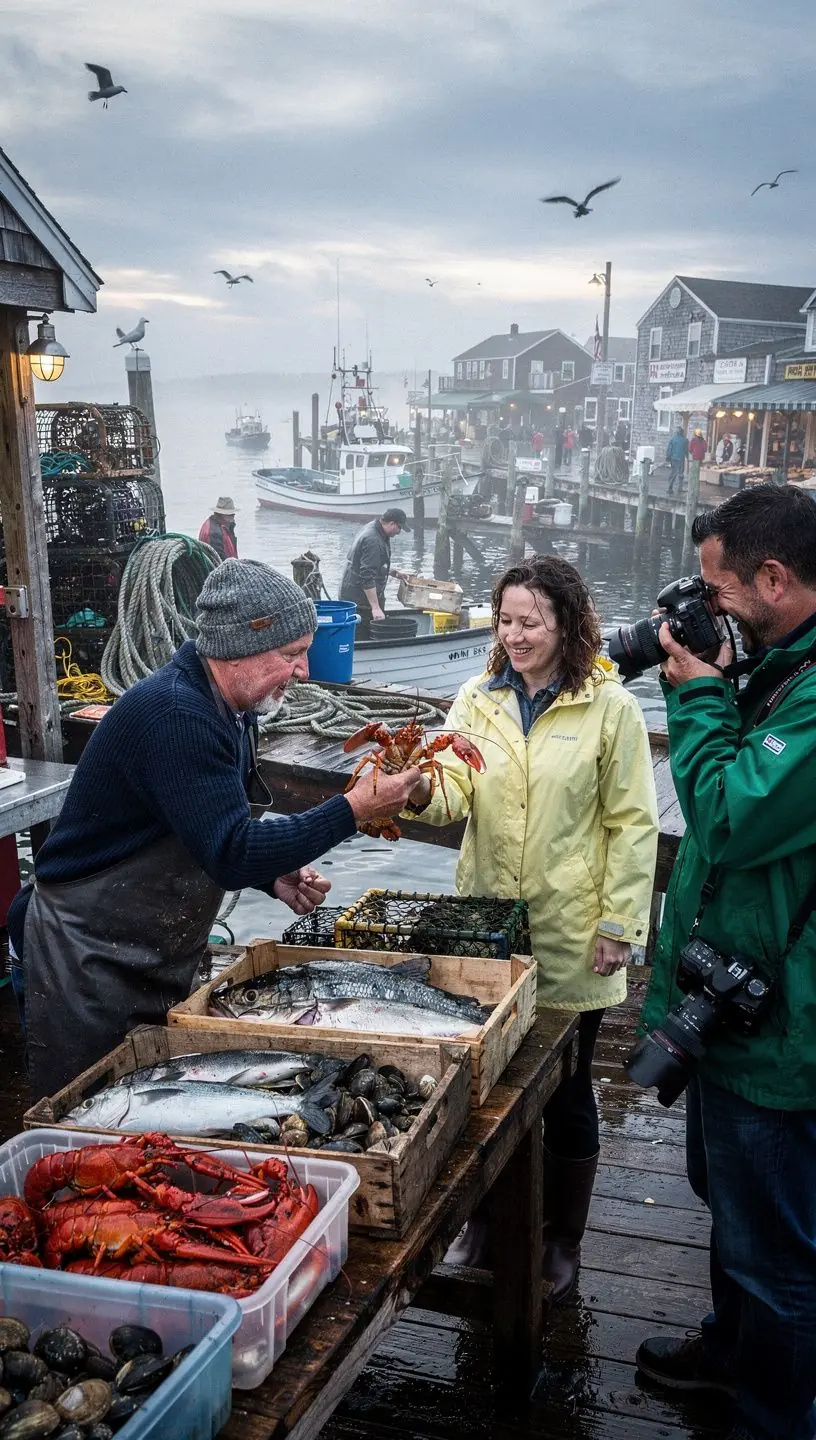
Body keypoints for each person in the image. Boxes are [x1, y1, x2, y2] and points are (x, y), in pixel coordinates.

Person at [7, 559, 420, 1098]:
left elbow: (208, 830)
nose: (303, 671)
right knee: (88, 1126)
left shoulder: (231, 707)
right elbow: (231, 851)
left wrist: (270, 875)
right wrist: (354, 808)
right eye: (291, 654)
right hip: (82, 959)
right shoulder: (176, 715)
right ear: (237, 648)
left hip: (144, 953)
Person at [404, 554, 658, 1294]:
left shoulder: (610, 707)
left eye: (531, 622)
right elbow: (453, 797)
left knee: (569, 1092)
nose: (514, 635)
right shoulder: (474, 698)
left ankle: (560, 1241)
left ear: (569, 623)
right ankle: (484, 1222)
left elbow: (634, 825)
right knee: (483, 1084)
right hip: (487, 927)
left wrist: (619, 924)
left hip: (572, 931)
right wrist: (420, 787)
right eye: (505, 620)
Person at [634, 486, 816, 1440]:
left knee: (778, 1253)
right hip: (733, 1004)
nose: (705, 608)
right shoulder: (784, 660)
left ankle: (772, 1417)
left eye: (719, 588)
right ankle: (731, 1350)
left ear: (775, 578)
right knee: (729, 1205)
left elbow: (731, 816)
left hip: (784, 1028)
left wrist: (700, 690)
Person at [339, 508, 410, 639]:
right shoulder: (374, 541)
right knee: (363, 633)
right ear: (392, 524)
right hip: (359, 599)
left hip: (352, 589)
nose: (399, 532)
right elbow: (366, 575)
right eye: (399, 528)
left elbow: (370, 563)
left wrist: (394, 573)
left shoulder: (374, 527)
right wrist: (375, 608)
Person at [666, 426, 689, 494]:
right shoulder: (685, 440)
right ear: (682, 432)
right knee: (680, 473)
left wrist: (668, 457)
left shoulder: (673, 439)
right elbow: (686, 450)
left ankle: (671, 485)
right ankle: (678, 488)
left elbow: (669, 449)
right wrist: (688, 458)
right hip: (680, 459)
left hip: (673, 458)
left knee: (674, 472)